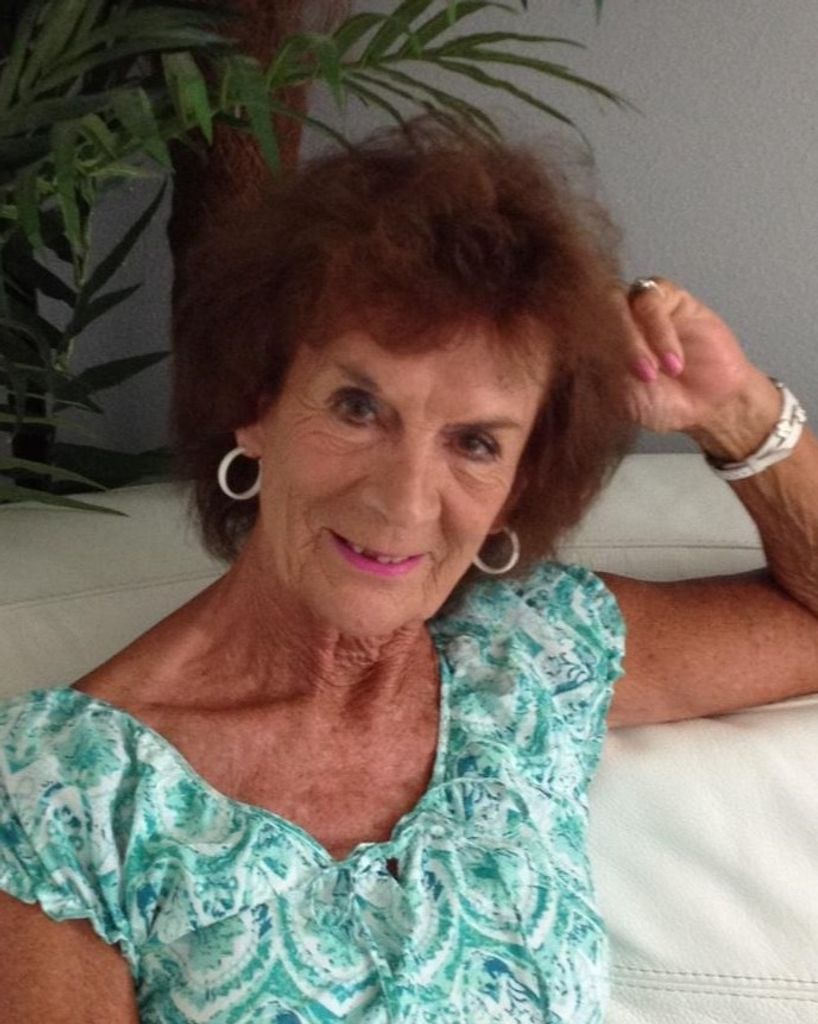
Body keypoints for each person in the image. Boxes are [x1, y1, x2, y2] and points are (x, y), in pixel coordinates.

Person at [1, 117, 816, 1024]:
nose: (405, 501)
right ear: (255, 404)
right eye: (359, 407)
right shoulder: (66, 792)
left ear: (516, 488)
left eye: (475, 443)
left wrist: (740, 414)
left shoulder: (533, 654)